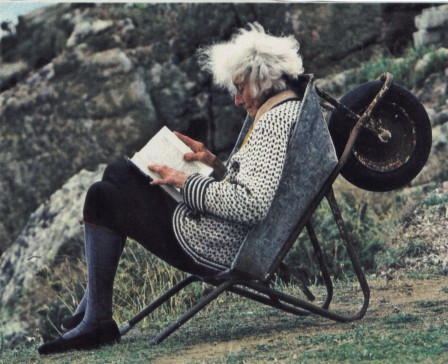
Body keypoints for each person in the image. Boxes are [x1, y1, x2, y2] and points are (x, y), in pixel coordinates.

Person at [38, 22, 304, 355]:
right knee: (119, 170)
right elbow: (254, 182)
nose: (236, 100)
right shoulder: (282, 109)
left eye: (241, 88)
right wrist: (211, 162)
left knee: (101, 196)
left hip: (220, 246)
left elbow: (251, 204)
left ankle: (96, 319)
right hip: (226, 235)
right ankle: (93, 309)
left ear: (264, 77)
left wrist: (186, 181)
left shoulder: (274, 122)